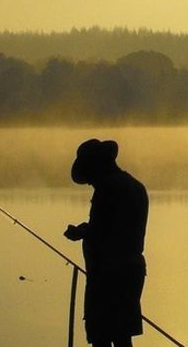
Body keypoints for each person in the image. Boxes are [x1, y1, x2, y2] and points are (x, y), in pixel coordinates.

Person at [64, 139, 148, 347]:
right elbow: (114, 226)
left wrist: (79, 232)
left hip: (108, 275)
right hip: (132, 270)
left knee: (100, 336)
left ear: (97, 167)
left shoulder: (108, 189)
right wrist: (86, 230)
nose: (90, 182)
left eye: (90, 176)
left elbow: (103, 230)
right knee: (122, 335)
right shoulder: (135, 186)